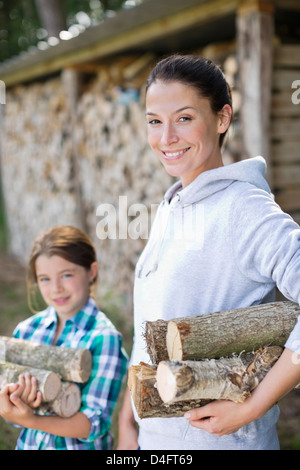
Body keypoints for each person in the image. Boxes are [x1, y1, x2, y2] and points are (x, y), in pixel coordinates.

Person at [117, 54, 300, 450]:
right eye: (154, 120)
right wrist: (128, 417)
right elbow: (149, 323)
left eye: (184, 118)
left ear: (222, 119)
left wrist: (252, 406)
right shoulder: (172, 205)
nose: (165, 138)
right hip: (153, 438)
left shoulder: (244, 209)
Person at [0, 225, 127, 450]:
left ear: (92, 271)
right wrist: (17, 407)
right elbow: (13, 414)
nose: (56, 288)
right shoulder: (27, 331)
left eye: (66, 275)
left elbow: (92, 424)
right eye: (45, 279)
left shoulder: (103, 338)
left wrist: (32, 420)